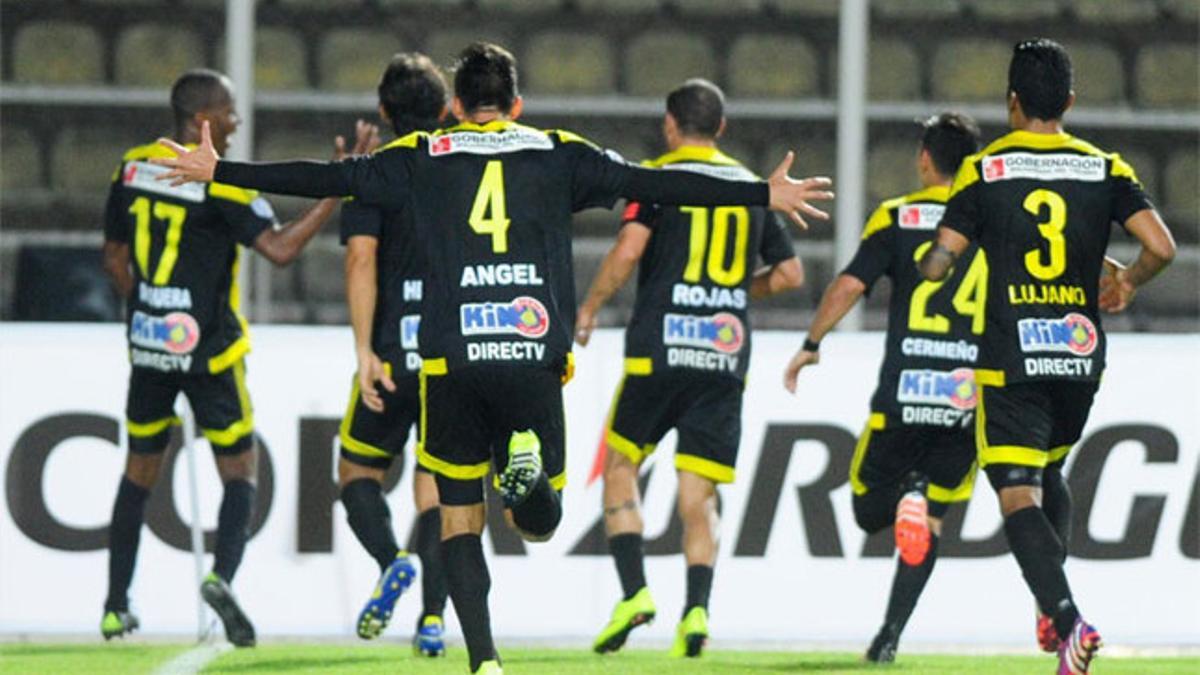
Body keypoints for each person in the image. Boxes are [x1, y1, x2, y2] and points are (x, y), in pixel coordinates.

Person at [151, 42, 833, 675]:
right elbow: (656, 185)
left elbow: (327, 176)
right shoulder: (558, 151)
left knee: (457, 518)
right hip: (533, 353)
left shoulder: (424, 153)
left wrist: (223, 171)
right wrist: (760, 193)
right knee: (538, 521)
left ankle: (484, 660)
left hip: (451, 359)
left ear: (456, 104)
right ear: (516, 103)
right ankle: (527, 476)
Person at [917, 39, 1176, 674]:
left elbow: (938, 262)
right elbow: (1161, 247)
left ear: (1011, 102)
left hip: (1011, 355)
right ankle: (1048, 607)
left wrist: (938, 257)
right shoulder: (1103, 165)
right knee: (1049, 469)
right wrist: (1125, 280)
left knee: (1015, 491)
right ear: (1069, 101)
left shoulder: (984, 168)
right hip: (1079, 357)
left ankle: (1069, 621)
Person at [99, 68, 344, 646]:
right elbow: (280, 249)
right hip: (211, 352)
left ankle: (114, 606)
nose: (236, 120)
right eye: (229, 111)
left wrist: (148, 312)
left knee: (138, 471)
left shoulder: (131, 167)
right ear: (200, 120)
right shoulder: (222, 182)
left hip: (151, 348)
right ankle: (222, 578)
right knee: (240, 471)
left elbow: (113, 257)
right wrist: (333, 193)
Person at [576, 79, 804, 659]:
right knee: (698, 494)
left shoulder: (655, 177)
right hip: (724, 357)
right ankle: (697, 608)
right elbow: (790, 276)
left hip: (660, 348)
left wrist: (589, 307)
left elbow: (628, 250)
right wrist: (729, 293)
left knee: (622, 464)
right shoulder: (751, 189)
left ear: (671, 125)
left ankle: (633, 594)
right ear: (721, 128)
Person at [783, 112, 981, 663]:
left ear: (924, 158)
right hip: (969, 398)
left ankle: (905, 496)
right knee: (932, 519)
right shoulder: (992, 218)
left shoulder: (898, 215)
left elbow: (851, 284)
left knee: (871, 509)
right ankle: (889, 635)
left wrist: (812, 341)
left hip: (904, 393)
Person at [334, 52, 451, 656]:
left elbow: (359, 259)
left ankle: (391, 559)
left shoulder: (374, 172)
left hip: (391, 352)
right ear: (446, 109)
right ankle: (432, 621)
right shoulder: (465, 169)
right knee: (437, 492)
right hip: (451, 354)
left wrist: (363, 350)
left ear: (383, 111)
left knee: (357, 473)